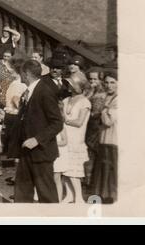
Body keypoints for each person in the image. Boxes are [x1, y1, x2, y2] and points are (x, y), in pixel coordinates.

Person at [14, 60, 63, 203]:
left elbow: (57, 123)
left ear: (26, 74)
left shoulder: (45, 91)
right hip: (26, 151)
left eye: (21, 73)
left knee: (46, 194)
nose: (20, 76)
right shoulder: (28, 91)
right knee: (22, 192)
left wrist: (36, 140)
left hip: (42, 152)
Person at [61, 74, 91, 203]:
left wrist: (66, 120)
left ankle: (79, 198)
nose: (69, 86)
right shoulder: (66, 100)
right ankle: (69, 195)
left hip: (76, 139)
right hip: (65, 137)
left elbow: (79, 122)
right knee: (65, 169)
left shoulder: (85, 102)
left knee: (74, 171)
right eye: (69, 84)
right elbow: (60, 115)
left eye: (73, 84)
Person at [91, 69, 118, 203]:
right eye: (107, 82)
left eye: (113, 82)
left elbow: (108, 121)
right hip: (103, 138)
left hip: (114, 139)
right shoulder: (106, 97)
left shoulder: (119, 99)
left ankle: (111, 196)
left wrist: (102, 111)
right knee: (102, 168)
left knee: (111, 168)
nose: (109, 85)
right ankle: (101, 195)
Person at [84, 67, 106, 187]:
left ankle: (93, 181)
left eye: (95, 79)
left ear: (101, 80)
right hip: (89, 127)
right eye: (90, 78)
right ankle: (89, 180)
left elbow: (95, 113)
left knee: (94, 153)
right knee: (89, 154)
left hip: (96, 127)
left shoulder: (101, 94)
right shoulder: (90, 91)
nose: (92, 81)